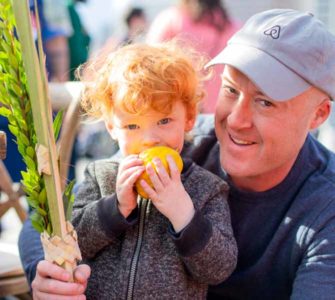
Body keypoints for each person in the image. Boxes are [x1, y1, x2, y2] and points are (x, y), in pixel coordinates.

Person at [18, 8, 335, 299]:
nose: (236, 121)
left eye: (265, 102)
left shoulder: (326, 209)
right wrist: (48, 274)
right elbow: (44, 222)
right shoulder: (177, 140)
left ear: (319, 115)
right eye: (231, 90)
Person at [25, 41, 238, 299]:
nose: (149, 139)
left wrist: (183, 214)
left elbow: (220, 268)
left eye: (164, 121)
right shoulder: (101, 176)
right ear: (112, 127)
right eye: (132, 126)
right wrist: (115, 208)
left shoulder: (207, 189)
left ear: (189, 118)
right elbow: (72, 243)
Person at [146, 0, 240, 113]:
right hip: (222, 111)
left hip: (181, 109)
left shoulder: (171, 20)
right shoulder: (233, 27)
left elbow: (150, 64)